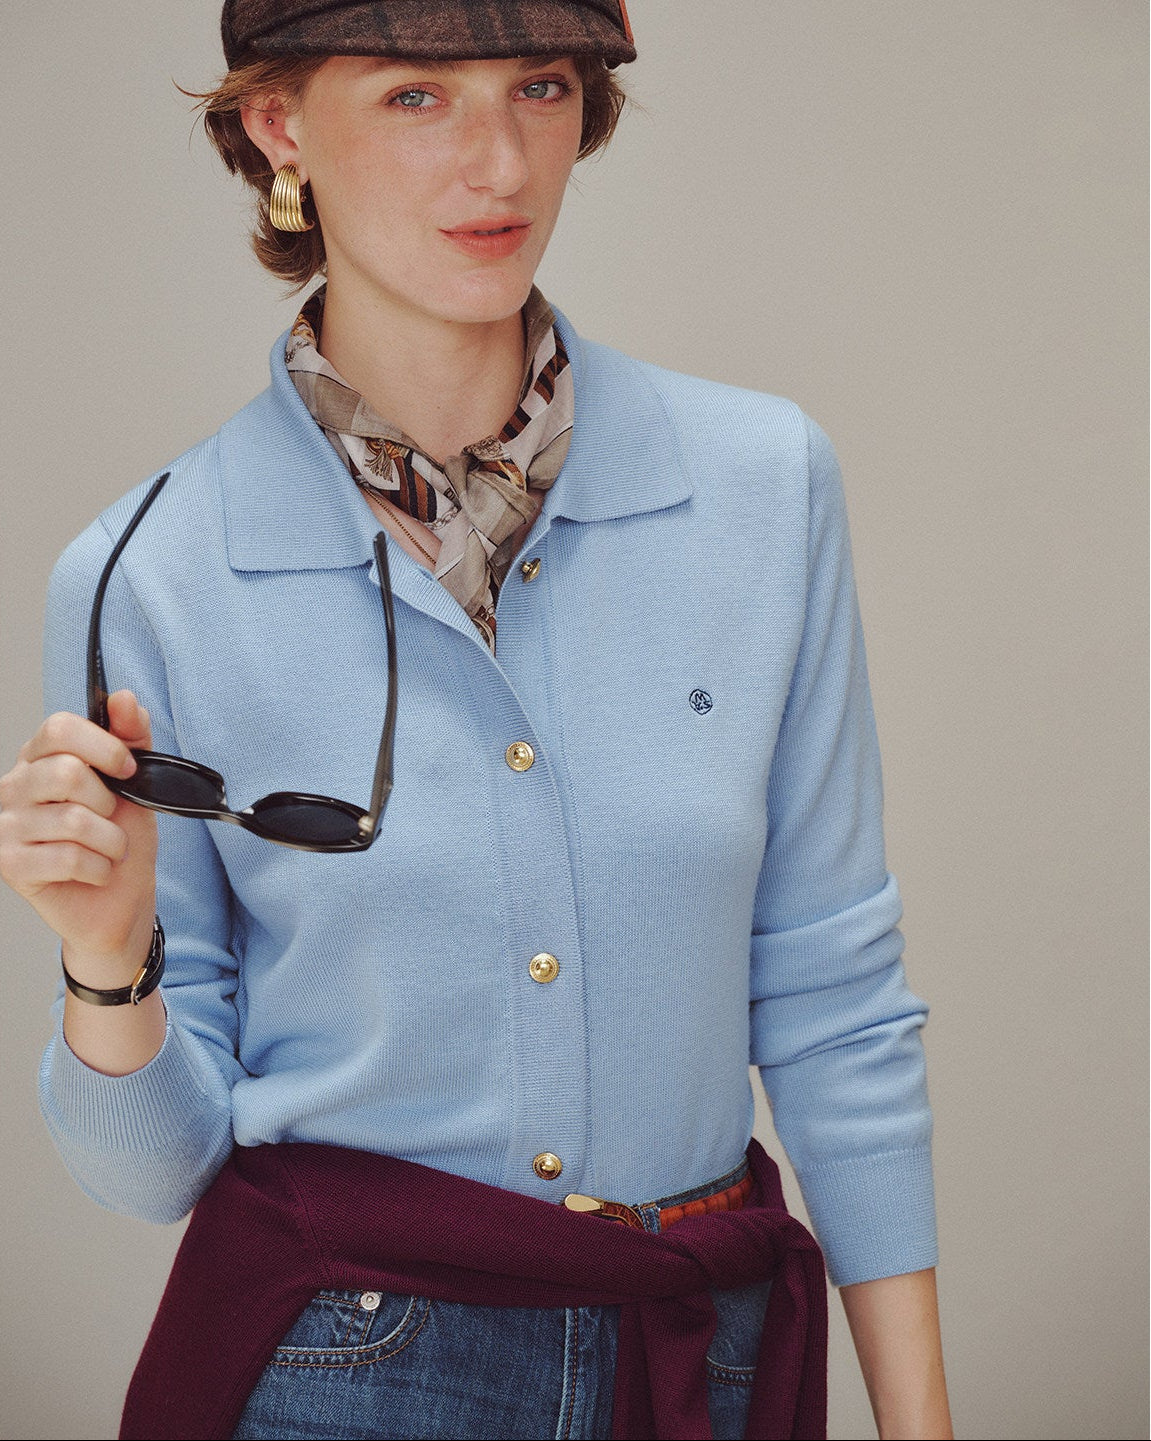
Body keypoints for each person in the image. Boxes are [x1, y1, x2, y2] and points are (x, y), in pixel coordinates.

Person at [0, 3, 953, 1438]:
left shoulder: (764, 487)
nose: (500, 163)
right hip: (349, 1372)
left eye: (541, 88)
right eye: (414, 100)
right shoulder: (151, 571)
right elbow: (156, 1170)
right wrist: (103, 955)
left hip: (705, 1350)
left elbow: (834, 1000)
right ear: (278, 127)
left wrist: (922, 1420)